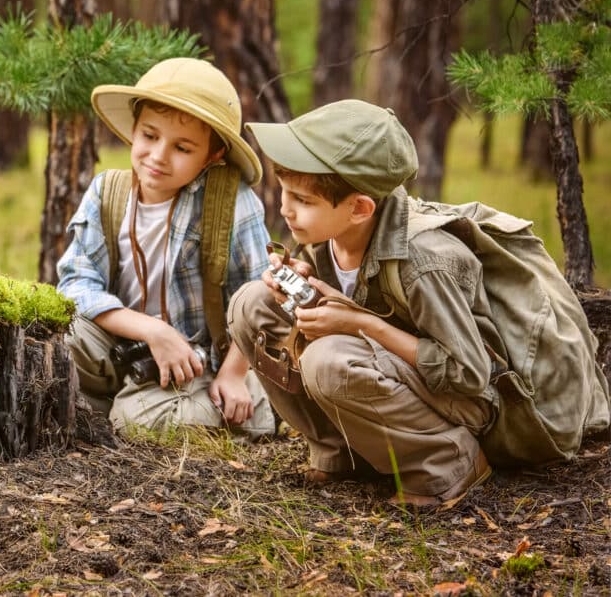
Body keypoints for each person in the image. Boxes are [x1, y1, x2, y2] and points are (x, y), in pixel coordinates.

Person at [228, 99, 609, 508]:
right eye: (284, 192)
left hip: (483, 407)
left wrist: (360, 325)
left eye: (302, 200)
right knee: (252, 304)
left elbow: (468, 374)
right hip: (414, 384)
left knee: (328, 360)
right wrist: (305, 287)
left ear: (359, 208)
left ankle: (447, 461)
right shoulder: (332, 240)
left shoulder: (424, 262)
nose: (285, 209)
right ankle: (341, 452)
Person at [57, 57, 276, 439]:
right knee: (64, 334)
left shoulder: (230, 204)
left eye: (183, 148)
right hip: (129, 345)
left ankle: (243, 406)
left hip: (197, 361)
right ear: (134, 131)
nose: (158, 156)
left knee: (135, 421)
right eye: (149, 136)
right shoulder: (107, 192)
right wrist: (152, 330)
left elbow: (260, 300)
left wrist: (234, 373)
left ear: (213, 155)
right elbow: (76, 283)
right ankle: (125, 404)